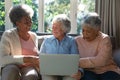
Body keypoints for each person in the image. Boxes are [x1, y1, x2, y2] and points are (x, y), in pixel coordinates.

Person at [75, 12, 120, 80]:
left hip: (107, 70)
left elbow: (101, 61)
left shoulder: (105, 39)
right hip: (88, 71)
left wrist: (76, 62)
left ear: (97, 31)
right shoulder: (77, 40)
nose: (84, 34)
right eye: (83, 30)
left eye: (88, 32)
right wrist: (79, 69)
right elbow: (71, 57)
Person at [0, 4, 40, 80]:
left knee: (32, 75)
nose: (30, 24)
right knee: (12, 71)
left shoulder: (34, 36)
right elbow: (2, 59)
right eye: (26, 22)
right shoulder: (8, 35)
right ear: (17, 23)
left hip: (29, 67)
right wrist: (27, 58)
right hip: (12, 66)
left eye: (30, 20)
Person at [40, 14, 81, 80]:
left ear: (64, 29)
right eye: (53, 27)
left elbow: (76, 60)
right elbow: (41, 58)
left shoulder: (71, 41)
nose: (53, 29)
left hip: (67, 72)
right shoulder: (47, 41)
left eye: (56, 27)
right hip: (50, 72)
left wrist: (80, 71)